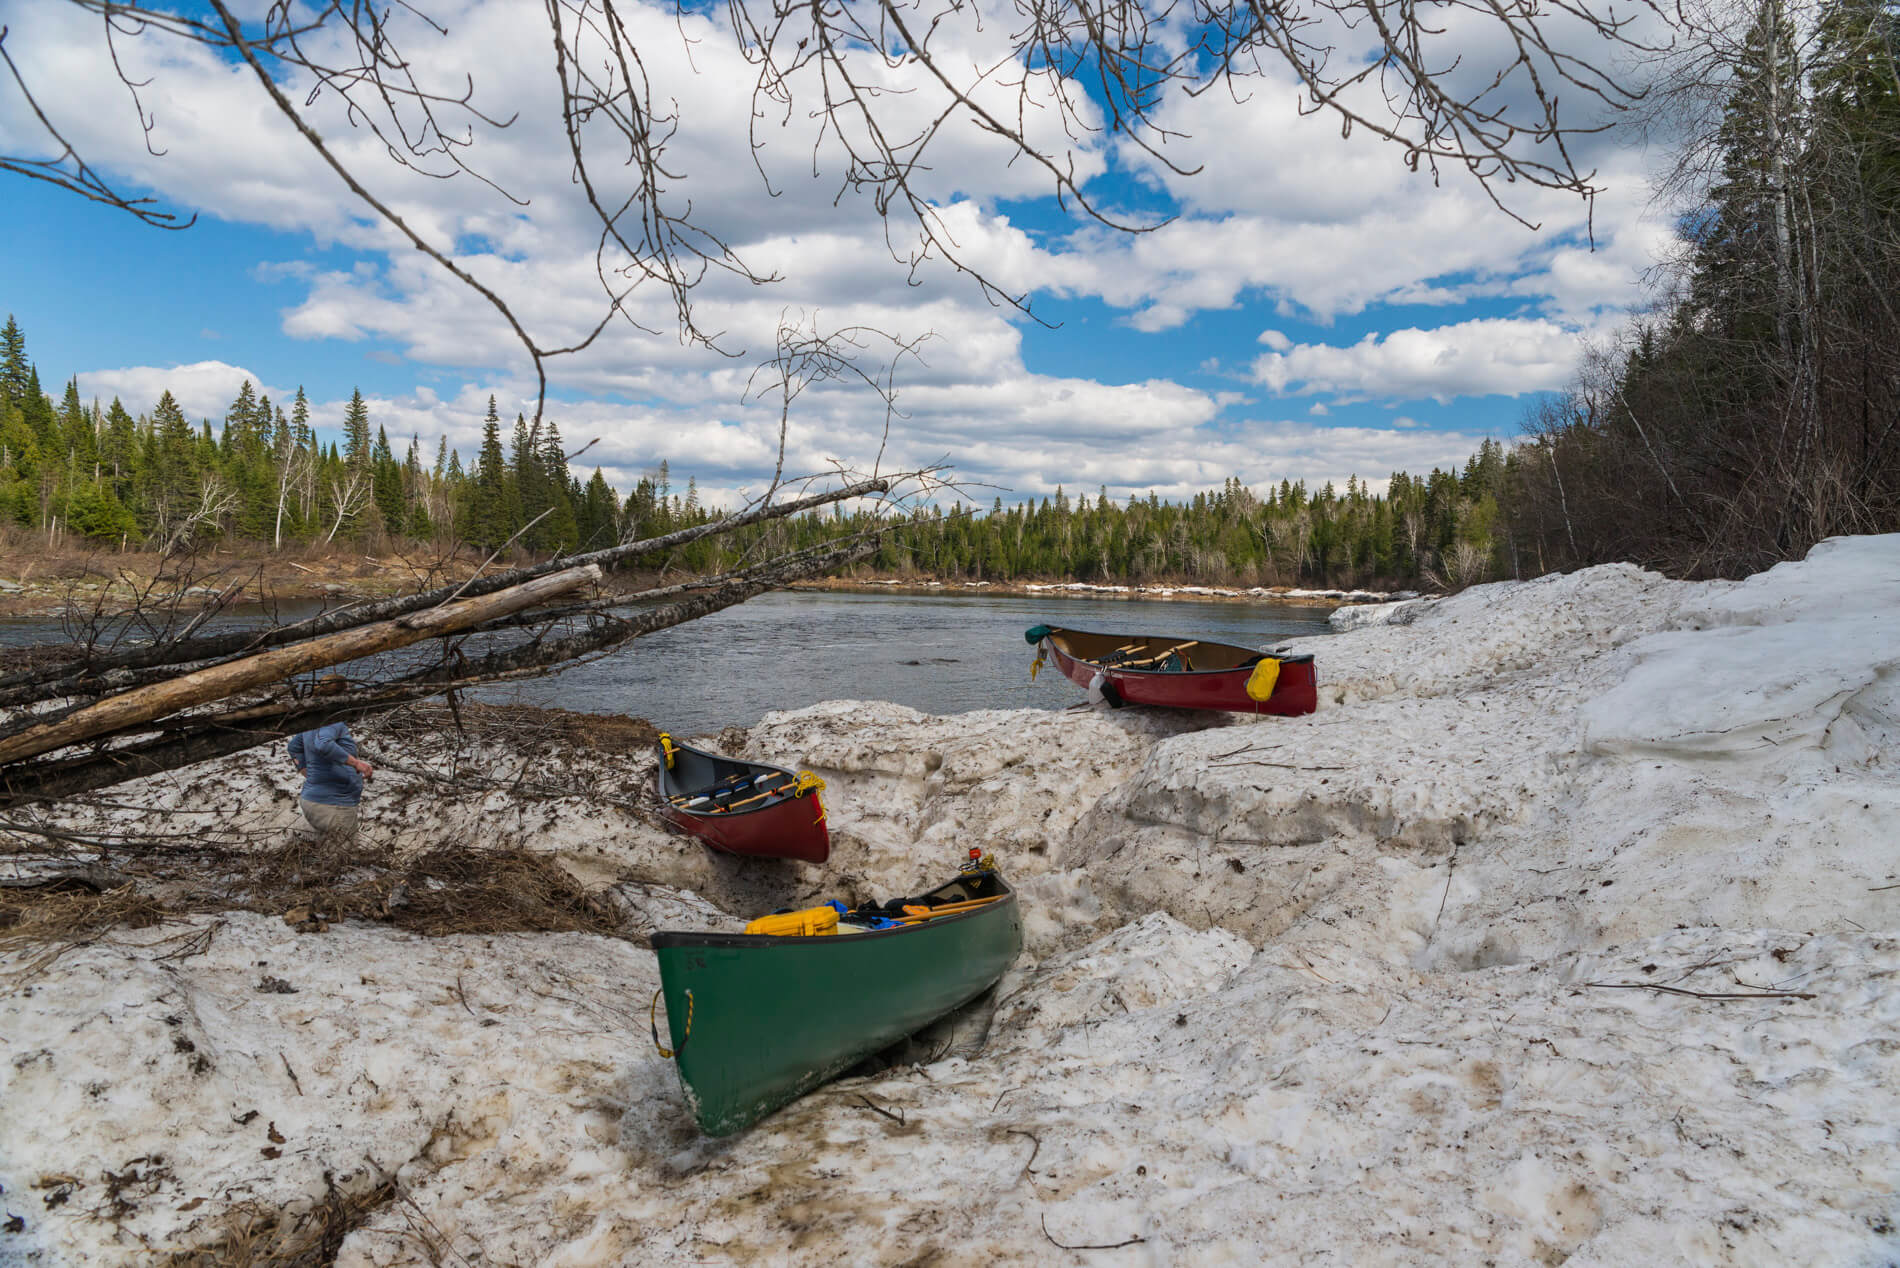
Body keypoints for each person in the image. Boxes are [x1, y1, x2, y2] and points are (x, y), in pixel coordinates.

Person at [288, 720, 374, 846]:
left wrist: (309, 773)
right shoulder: (332, 721)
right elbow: (323, 744)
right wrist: (356, 763)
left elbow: (293, 747)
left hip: (316, 802)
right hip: (333, 806)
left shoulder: (313, 723)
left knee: (332, 854)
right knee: (344, 858)